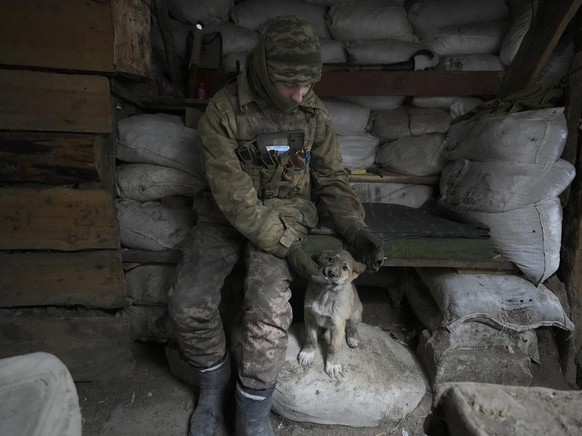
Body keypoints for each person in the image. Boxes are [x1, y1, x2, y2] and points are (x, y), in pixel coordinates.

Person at [168, 15, 384, 436]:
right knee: (187, 305)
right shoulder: (223, 112)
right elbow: (234, 196)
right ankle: (213, 387)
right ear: (263, 69)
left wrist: (355, 229)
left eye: (307, 84)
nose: (300, 94)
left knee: (268, 311)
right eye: (290, 84)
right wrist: (288, 247)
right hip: (225, 218)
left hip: (287, 212)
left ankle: (252, 413)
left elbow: (331, 178)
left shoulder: (311, 111)